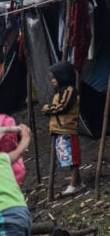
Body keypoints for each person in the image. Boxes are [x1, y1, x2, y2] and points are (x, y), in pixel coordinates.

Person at [41, 61, 82, 194]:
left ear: (63, 76)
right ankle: (78, 182)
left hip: (68, 129)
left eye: (54, 77)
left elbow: (63, 107)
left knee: (73, 158)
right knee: (68, 157)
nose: (52, 81)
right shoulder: (60, 92)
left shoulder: (70, 91)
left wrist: (48, 109)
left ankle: (73, 184)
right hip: (60, 129)